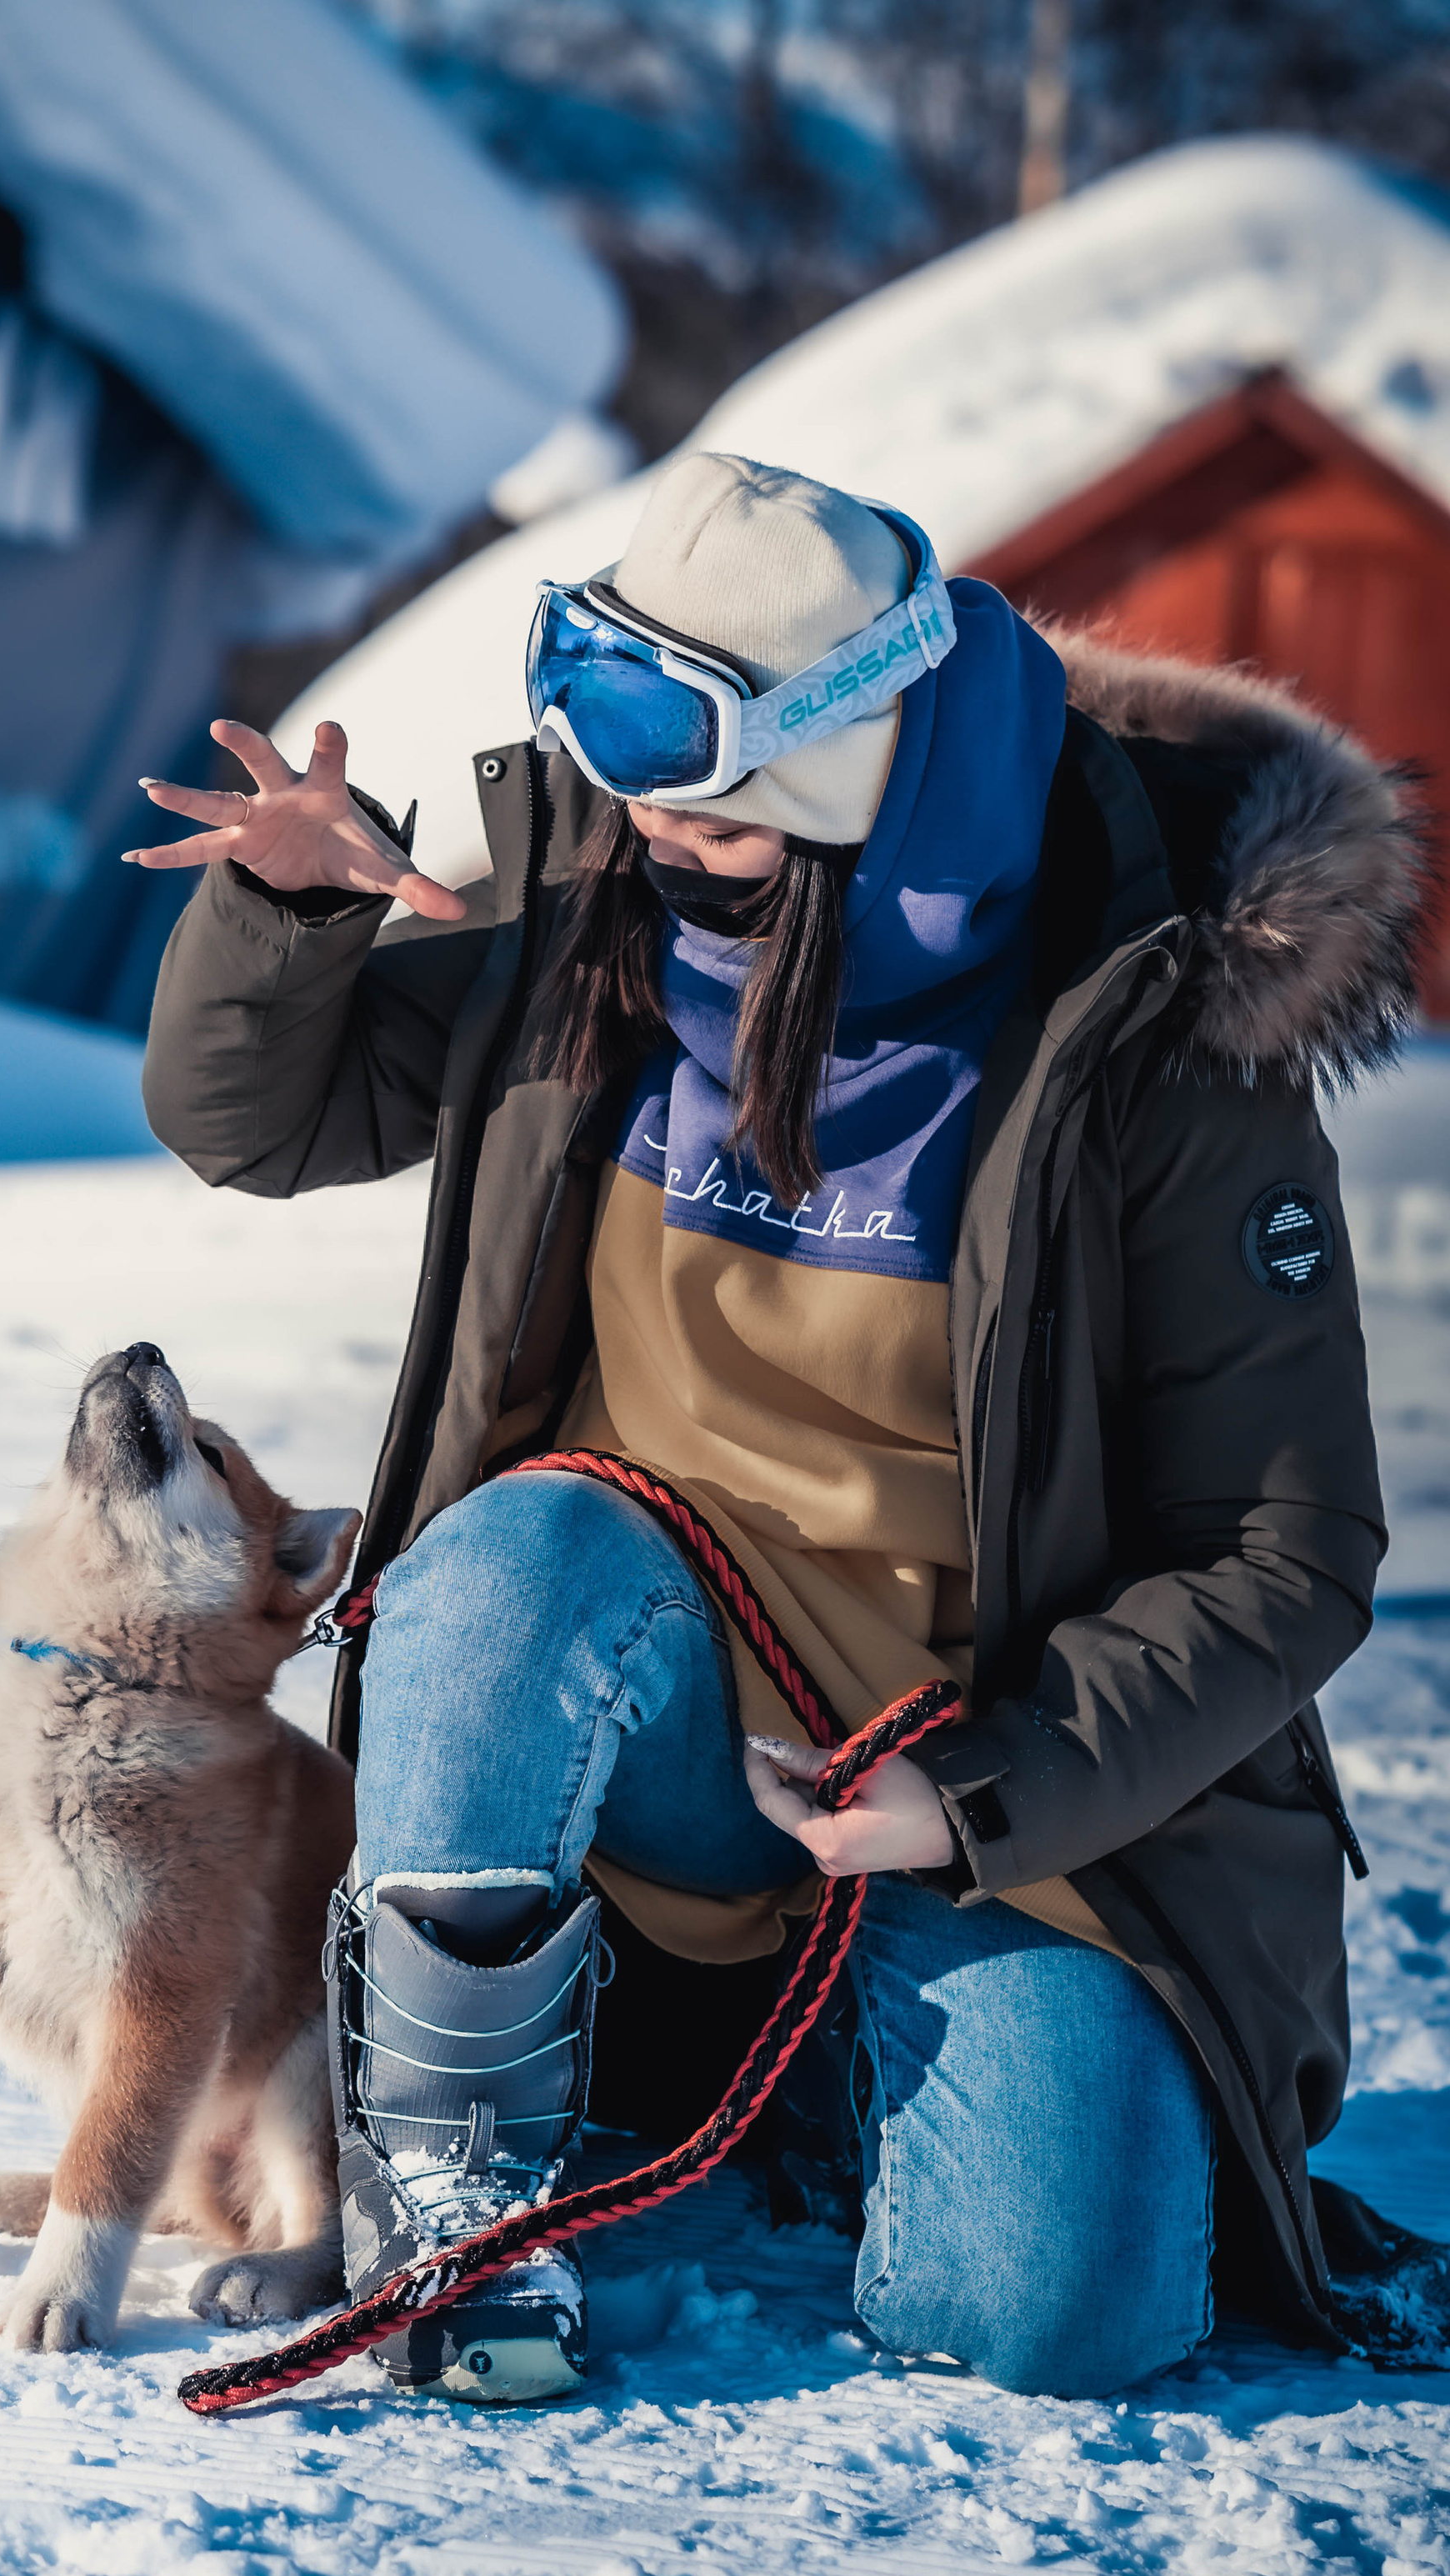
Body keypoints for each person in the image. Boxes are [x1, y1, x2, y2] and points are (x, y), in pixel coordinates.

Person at [132, 453, 1422, 2406]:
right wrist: (279, 909)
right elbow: (261, 1121)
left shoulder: (1142, 1022)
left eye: (679, 768)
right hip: (640, 1684)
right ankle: (463, 2202)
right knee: (502, 1555)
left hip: (982, 1782)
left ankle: (830, 2075)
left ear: (831, 770)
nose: (625, 799)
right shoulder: (599, 892)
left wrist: (980, 1791)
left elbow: (1286, 1546)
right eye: (598, 718)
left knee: (1051, 2317)